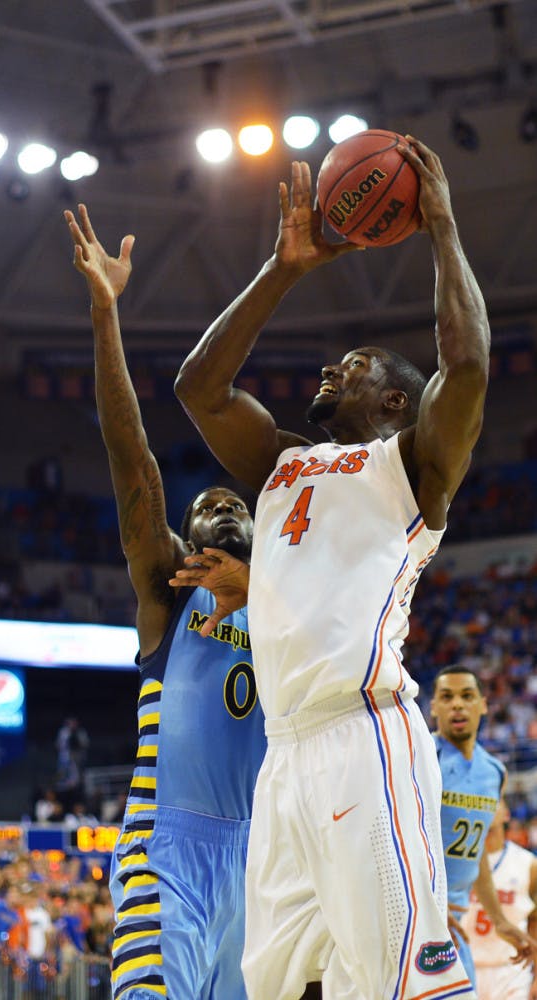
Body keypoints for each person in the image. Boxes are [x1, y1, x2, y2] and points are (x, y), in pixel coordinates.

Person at [172, 137, 498, 998]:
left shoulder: (412, 465)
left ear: (395, 399)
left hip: (365, 735)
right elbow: (197, 388)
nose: (328, 369)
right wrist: (283, 269)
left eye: (350, 368)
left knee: (402, 983)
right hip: (283, 756)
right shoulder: (280, 464)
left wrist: (440, 226)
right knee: (282, 987)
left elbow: (464, 366)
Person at [64, 202, 274, 1000]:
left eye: (233, 501)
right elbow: (133, 464)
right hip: (169, 848)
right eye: (202, 507)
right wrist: (104, 315)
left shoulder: (287, 601)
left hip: (264, 856)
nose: (219, 505)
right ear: (185, 541)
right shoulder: (170, 589)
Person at [430, 667, 535, 987]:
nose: (457, 705)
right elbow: (396, 844)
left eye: (467, 696)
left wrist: (501, 922)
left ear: (484, 704)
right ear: (433, 707)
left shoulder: (494, 772)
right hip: (416, 917)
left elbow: (476, 859)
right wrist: (424, 906)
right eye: (446, 697)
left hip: (455, 925)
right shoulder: (420, 759)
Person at [463, 798, 537, 1000]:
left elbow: (535, 922)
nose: (486, 808)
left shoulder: (528, 864)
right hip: (466, 967)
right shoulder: (459, 863)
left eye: (493, 803)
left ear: (506, 814)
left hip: (511, 970)